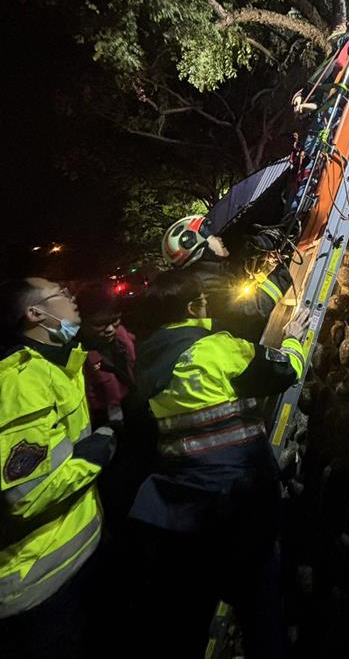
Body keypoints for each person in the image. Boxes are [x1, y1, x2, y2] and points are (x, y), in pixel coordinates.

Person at [128, 270, 310, 658]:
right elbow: (282, 371)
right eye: (205, 300)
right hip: (238, 504)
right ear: (194, 307)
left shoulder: (143, 358)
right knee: (260, 608)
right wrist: (294, 339)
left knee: (187, 617)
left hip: (177, 512)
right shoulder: (214, 348)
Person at [0, 277, 116, 659]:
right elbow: (25, 495)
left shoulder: (58, 366)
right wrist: (97, 450)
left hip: (73, 560)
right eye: (62, 292)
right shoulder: (21, 382)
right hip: (41, 586)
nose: (72, 296)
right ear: (35, 313)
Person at [162, 214, 293, 341]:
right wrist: (284, 271)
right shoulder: (207, 288)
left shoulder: (212, 274)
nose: (219, 239)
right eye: (213, 237)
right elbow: (253, 310)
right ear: (201, 249)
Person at [76, 284, 136, 427]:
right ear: (81, 320)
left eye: (115, 320)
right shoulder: (75, 358)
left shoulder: (126, 341)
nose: (109, 329)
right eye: (99, 324)